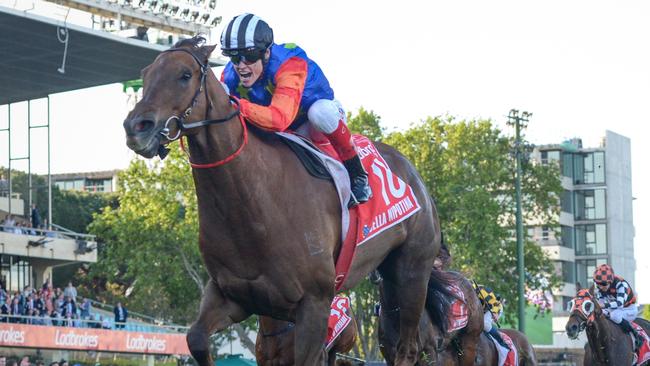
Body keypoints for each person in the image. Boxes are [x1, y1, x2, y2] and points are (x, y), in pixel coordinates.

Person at [220, 13, 372, 205]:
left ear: (266, 53)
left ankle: (358, 174)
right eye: (233, 56)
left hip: (312, 121)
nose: (241, 65)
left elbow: (278, 120)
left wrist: (236, 104)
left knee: (320, 113)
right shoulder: (230, 73)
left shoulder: (289, 64)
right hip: (282, 127)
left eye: (249, 56)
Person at [592, 263, 643, 350]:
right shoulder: (600, 289)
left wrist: (603, 305)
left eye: (603, 284)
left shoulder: (621, 284)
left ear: (610, 281)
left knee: (615, 315)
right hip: (613, 309)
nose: (600, 287)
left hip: (628, 309)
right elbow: (601, 307)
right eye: (598, 284)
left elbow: (619, 303)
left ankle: (635, 334)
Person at [474, 283, 509, 350]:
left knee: (485, 324)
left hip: (495, 307)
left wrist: (495, 312)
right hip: (483, 311)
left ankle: (502, 342)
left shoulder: (482, 291)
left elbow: (496, 304)